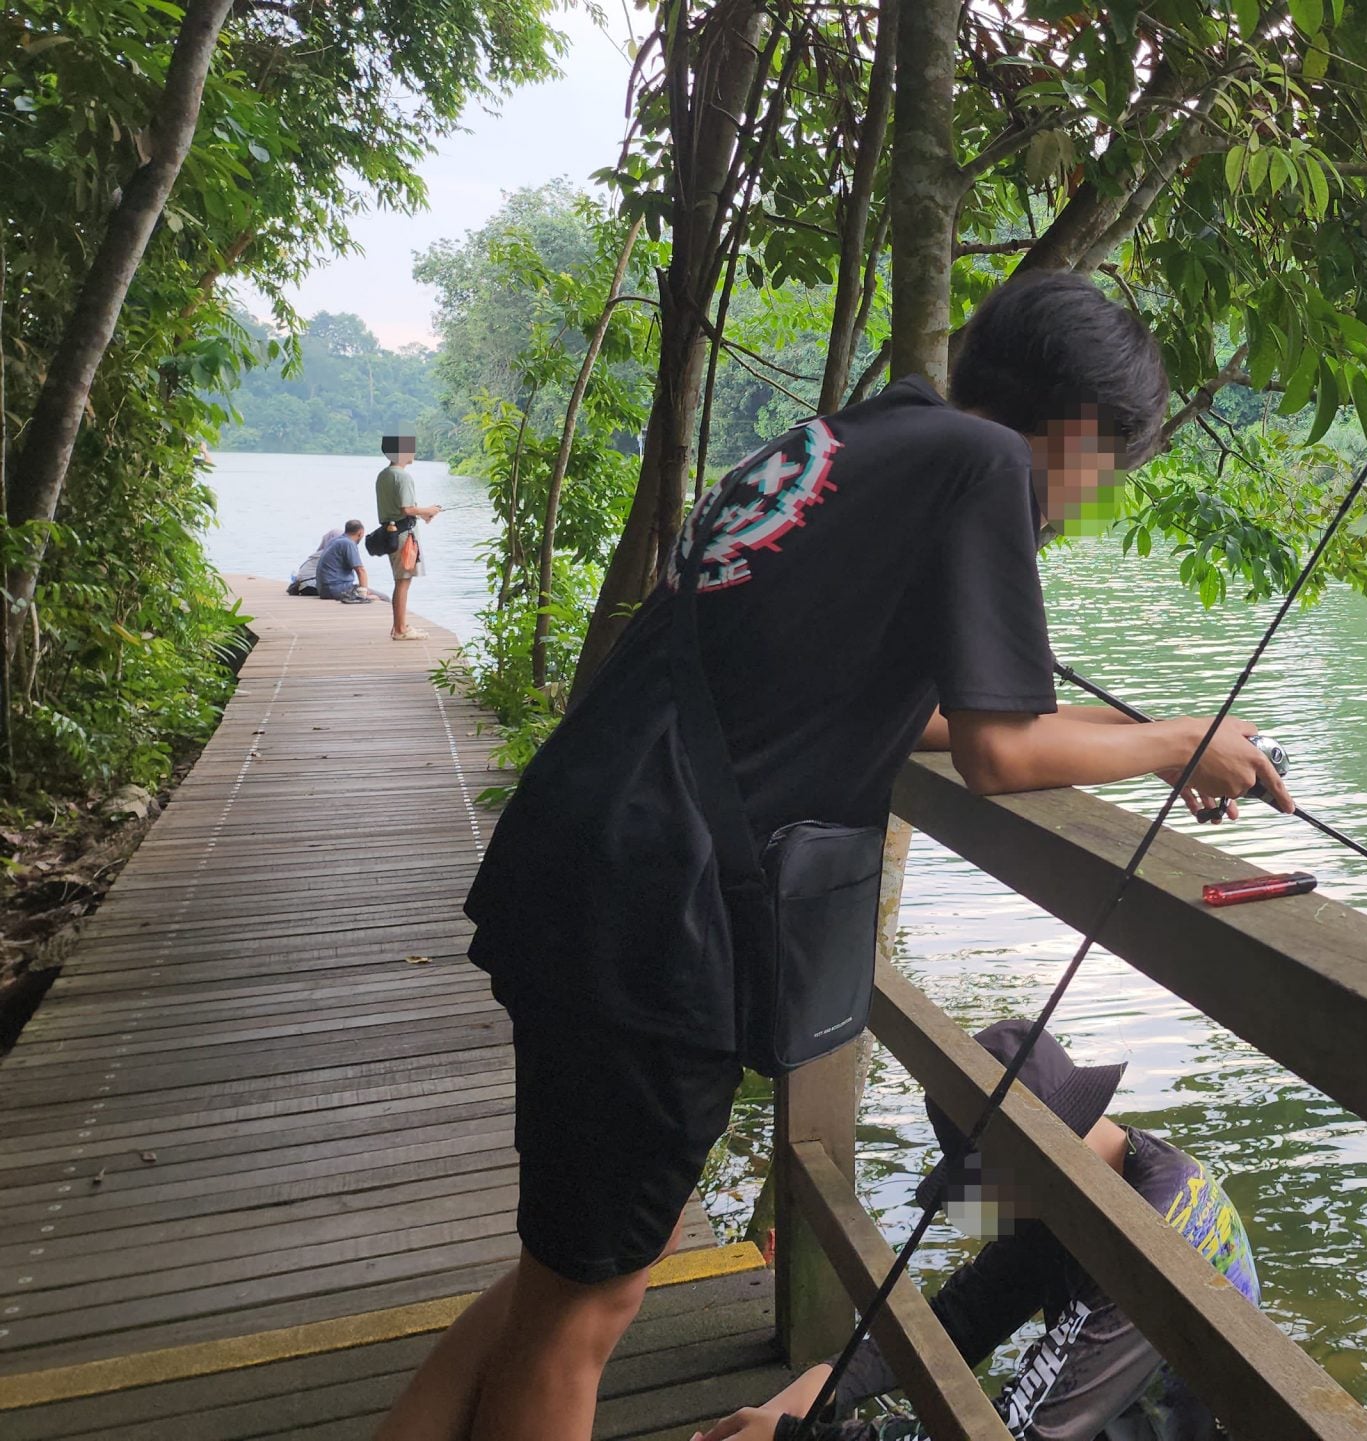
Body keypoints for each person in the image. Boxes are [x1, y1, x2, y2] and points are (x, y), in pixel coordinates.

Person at [378, 273, 1291, 1441]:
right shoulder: (983, 468)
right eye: (1107, 467)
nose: (1088, 497)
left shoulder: (866, 439)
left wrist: (1148, 748)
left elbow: (905, 714)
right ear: (1077, 432)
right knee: (586, 1309)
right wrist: (1180, 738)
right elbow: (1002, 754)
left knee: (586, 1254)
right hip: (657, 903)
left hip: (594, 859)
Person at [691, 1020, 1258, 1441]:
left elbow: (1015, 1433)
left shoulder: (1149, 1237)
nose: (979, 1209)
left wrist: (794, 1438)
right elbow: (966, 1316)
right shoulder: (1078, 1180)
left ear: (1017, 1160)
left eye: (980, 1183)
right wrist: (831, 1380)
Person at [375, 434, 441, 639]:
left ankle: (399, 626)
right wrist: (428, 509)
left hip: (391, 532)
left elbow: (400, 510)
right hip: (403, 536)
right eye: (409, 449)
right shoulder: (402, 477)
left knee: (401, 580)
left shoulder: (384, 475)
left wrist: (423, 514)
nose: (413, 452)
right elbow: (407, 508)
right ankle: (400, 630)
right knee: (403, 581)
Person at [314, 520, 380, 603]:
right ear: (360, 533)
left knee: (370, 593)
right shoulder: (348, 543)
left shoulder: (334, 541)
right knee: (382, 598)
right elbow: (361, 571)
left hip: (323, 591)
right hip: (337, 589)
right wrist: (363, 594)